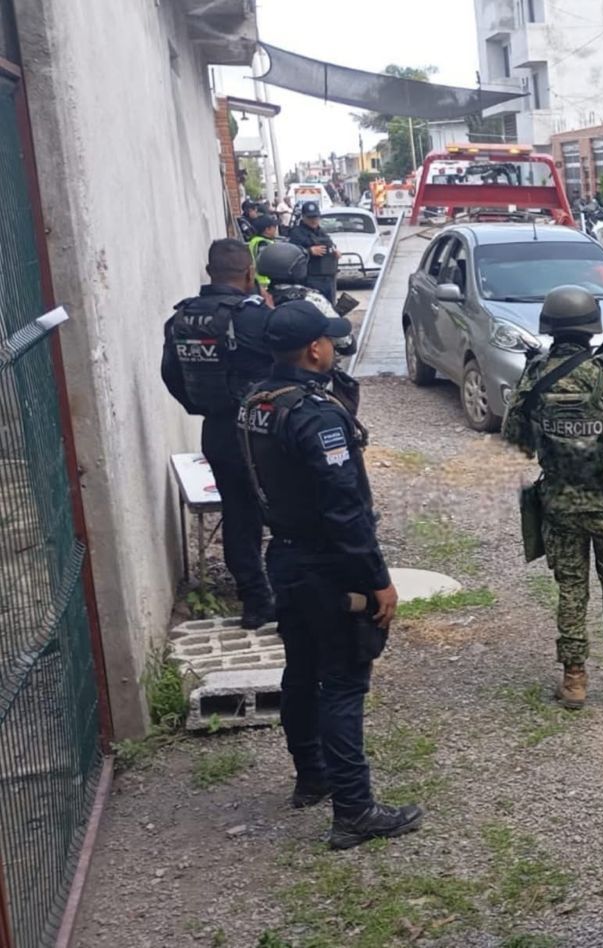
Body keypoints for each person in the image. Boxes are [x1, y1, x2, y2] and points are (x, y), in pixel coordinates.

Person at [237, 300, 422, 850]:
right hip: (327, 565)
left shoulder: (256, 401)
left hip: (286, 558)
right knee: (342, 681)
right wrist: (377, 579)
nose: (334, 347)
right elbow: (344, 507)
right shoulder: (315, 415)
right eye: (329, 340)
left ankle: (311, 777)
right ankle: (354, 809)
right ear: (314, 348)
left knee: (300, 671)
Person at [501, 286, 603, 710]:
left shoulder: (534, 376)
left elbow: (513, 436)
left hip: (559, 504)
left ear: (549, 328)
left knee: (571, 590)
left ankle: (574, 679)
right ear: (593, 328)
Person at [161, 239, 276, 629]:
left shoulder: (181, 319)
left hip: (219, 430)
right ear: (249, 274)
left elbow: (172, 377)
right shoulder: (255, 318)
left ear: (208, 272)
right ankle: (291, 596)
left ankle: (255, 603)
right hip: (264, 430)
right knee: (287, 511)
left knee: (239, 515)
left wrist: (203, 407)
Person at [287, 202, 339, 303]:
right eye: (310, 218)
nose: (314, 220)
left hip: (327, 278)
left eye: (316, 217)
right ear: (303, 217)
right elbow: (291, 254)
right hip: (309, 278)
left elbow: (330, 244)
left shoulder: (320, 231)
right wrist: (308, 251)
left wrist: (334, 251)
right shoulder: (296, 233)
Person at [247, 217, 280, 293]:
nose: (275, 230)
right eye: (274, 227)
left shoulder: (255, 240)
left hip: (259, 280)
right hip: (265, 282)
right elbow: (266, 261)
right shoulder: (263, 243)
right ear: (267, 229)